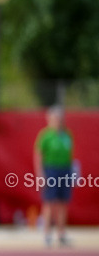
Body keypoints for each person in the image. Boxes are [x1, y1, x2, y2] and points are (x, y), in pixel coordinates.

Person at [34, 106, 74, 247]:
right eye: (55, 118)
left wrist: (73, 173)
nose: (58, 121)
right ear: (49, 119)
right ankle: (47, 234)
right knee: (49, 202)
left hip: (65, 170)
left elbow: (70, 155)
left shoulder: (66, 134)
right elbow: (38, 154)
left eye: (60, 118)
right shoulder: (46, 135)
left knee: (63, 203)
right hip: (51, 170)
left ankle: (61, 234)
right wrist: (40, 173)